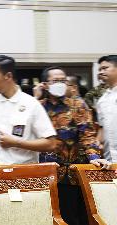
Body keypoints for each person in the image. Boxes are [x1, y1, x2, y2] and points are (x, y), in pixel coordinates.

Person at [35, 66, 110, 225]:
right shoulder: (37, 107)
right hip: (43, 174)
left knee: (71, 218)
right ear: (45, 84)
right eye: (56, 81)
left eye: (63, 80)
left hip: (70, 176)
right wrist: (35, 99)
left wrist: (94, 157)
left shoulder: (77, 105)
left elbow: (88, 136)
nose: (60, 84)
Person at [0, 55, 57, 166]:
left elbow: (50, 144)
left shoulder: (31, 104)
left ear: (8, 76)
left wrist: (16, 143)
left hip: (22, 176)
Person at [97, 55, 117, 163]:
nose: (100, 72)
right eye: (100, 69)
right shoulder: (102, 100)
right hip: (110, 158)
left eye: (105, 68)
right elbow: (102, 127)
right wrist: (97, 142)